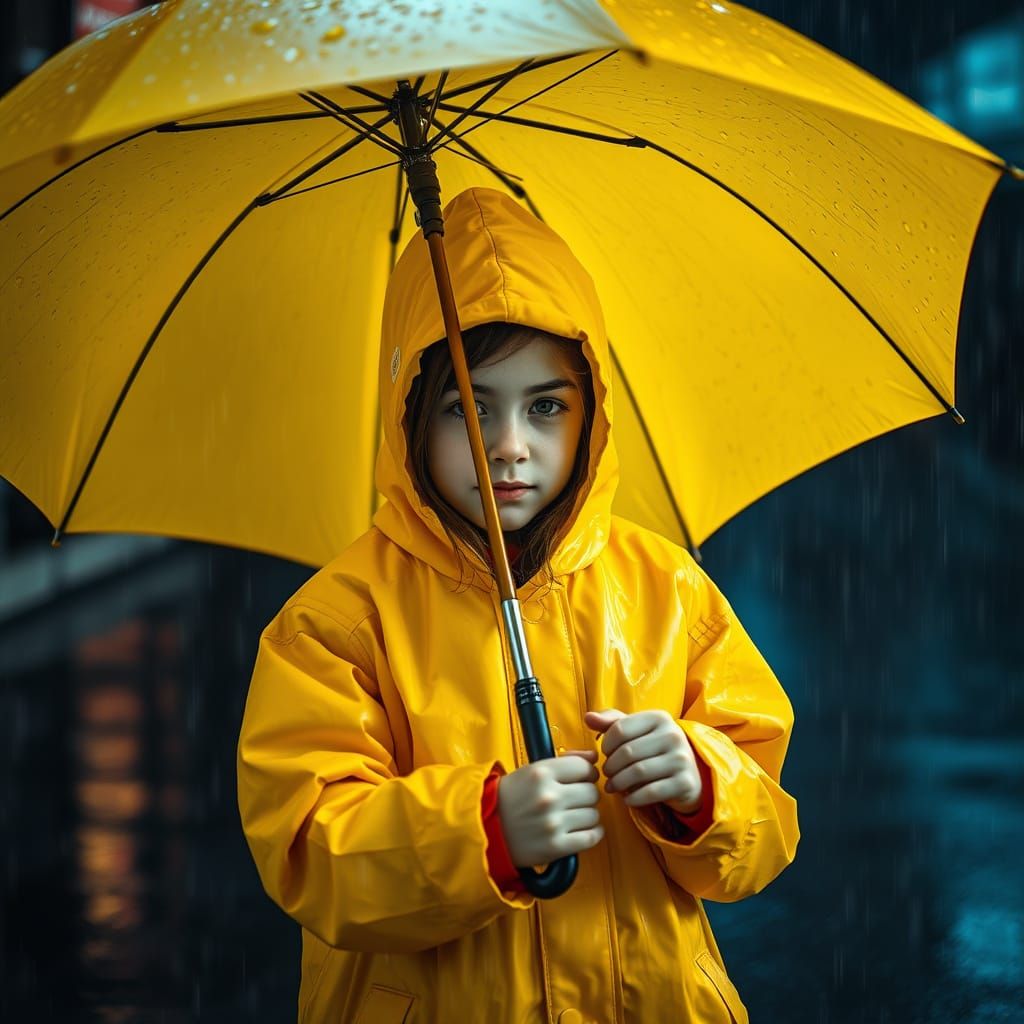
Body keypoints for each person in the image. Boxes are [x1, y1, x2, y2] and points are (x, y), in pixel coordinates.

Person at [237, 187, 800, 1024]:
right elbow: (312, 855)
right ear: (409, 420)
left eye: (545, 407)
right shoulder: (336, 622)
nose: (510, 446)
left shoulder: (666, 587)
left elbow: (761, 836)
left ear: (591, 415)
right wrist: (483, 832)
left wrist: (701, 785)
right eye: (469, 409)